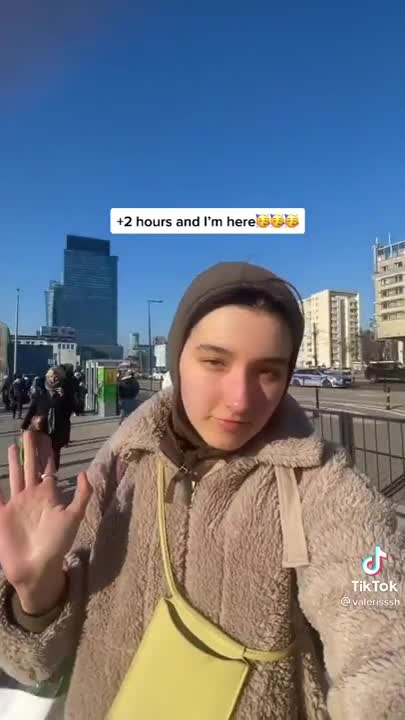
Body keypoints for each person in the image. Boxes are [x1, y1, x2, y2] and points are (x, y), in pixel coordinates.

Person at [0, 261, 404, 720]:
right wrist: (35, 591)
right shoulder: (121, 463)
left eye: (268, 372)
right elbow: (38, 663)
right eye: (215, 362)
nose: (240, 400)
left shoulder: (324, 484)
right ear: (178, 358)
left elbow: (381, 630)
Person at [20, 365, 76, 470]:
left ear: (61, 377)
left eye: (55, 377)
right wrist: (24, 425)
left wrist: (63, 398)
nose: (53, 379)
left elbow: (70, 411)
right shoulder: (41, 390)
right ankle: (42, 472)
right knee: (41, 451)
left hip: (58, 429)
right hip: (42, 427)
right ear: (47, 377)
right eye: (50, 376)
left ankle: (52, 474)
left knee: (55, 453)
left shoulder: (66, 391)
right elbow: (32, 409)